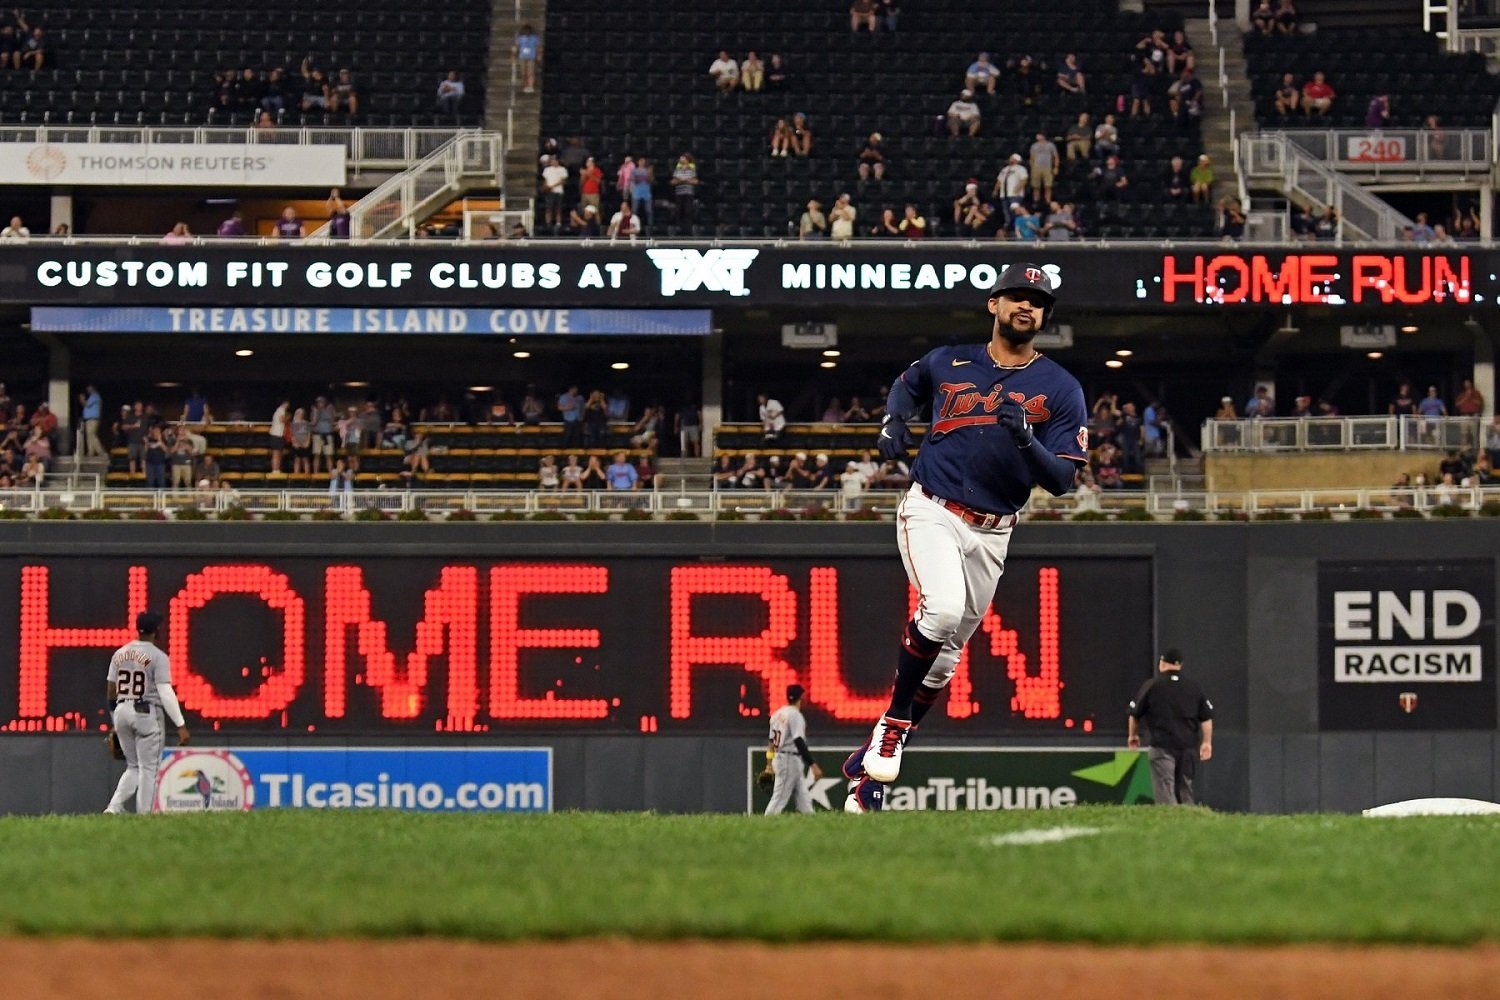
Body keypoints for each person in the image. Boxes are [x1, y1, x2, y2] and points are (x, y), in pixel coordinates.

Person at [844, 263, 1087, 791]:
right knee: (944, 608)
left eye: (1037, 300)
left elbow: (1064, 479)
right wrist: (893, 421)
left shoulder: (1061, 388)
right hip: (932, 506)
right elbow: (907, 385)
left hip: (994, 528)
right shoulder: (949, 360)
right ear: (993, 305)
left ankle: (870, 772)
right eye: (1017, 295)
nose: (1027, 305)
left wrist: (1029, 441)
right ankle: (895, 729)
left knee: (946, 662)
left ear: (1045, 315)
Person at [104, 611, 191, 814]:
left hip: (121, 710)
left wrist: (115, 720)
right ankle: (145, 815)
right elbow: (165, 692)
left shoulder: (120, 653)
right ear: (156, 631)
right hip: (145, 713)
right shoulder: (158, 657)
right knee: (148, 769)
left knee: (133, 766)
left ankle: (113, 807)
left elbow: (111, 689)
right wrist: (180, 725)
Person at [1127, 649, 1214, 806]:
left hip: (1162, 745)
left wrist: (1133, 735)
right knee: (1185, 789)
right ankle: (1188, 823)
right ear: (1180, 665)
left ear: (1162, 663)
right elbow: (1206, 718)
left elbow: (1134, 713)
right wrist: (1206, 742)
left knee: (1165, 788)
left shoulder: (1152, 685)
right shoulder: (1193, 687)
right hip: (1188, 747)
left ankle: (1171, 824)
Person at [760, 684, 825, 815]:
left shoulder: (777, 714)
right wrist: (813, 765)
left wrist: (769, 765)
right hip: (789, 759)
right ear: (800, 698)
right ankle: (766, 822)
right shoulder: (795, 715)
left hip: (781, 758)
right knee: (779, 798)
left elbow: (771, 743)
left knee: (803, 797)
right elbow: (799, 741)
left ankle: (811, 821)